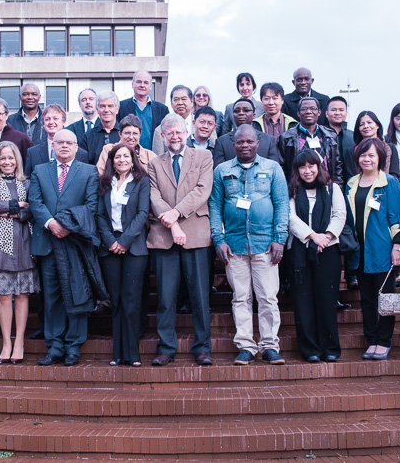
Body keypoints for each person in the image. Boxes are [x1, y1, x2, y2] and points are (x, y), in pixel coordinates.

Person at [210, 124, 288, 366]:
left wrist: (280, 238)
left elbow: (282, 204)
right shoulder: (222, 170)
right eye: (240, 142)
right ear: (234, 144)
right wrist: (218, 240)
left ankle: (269, 346)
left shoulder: (272, 168)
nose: (245, 145)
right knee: (241, 297)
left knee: (267, 297)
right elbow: (214, 206)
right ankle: (245, 346)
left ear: (258, 143)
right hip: (234, 245)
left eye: (249, 141)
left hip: (265, 244)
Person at [29, 129, 103, 367]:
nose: (63, 146)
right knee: (52, 297)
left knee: (77, 293)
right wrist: (51, 223)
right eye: (59, 142)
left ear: (75, 147)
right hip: (48, 243)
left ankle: (73, 346)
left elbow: (91, 205)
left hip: (75, 243)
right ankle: (55, 345)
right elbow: (35, 202)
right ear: (52, 145)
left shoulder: (90, 171)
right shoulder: (40, 171)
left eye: (69, 143)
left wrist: (67, 226)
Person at [147, 114, 214, 366]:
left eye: (179, 132)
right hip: (164, 235)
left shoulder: (204, 157)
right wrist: (173, 223)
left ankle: (202, 347)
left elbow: (202, 189)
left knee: (199, 295)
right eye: (169, 133)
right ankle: (166, 348)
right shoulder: (154, 164)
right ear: (162, 136)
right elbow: (154, 196)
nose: (174, 137)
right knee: (165, 297)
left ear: (187, 132)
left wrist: (176, 213)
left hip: (196, 233)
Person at [345, 138, 400, 361]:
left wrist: (397, 246)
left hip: (383, 249)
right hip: (359, 251)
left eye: (371, 155)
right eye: (362, 155)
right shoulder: (351, 183)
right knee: (367, 298)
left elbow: (396, 216)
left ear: (380, 158)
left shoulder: (389, 182)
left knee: (386, 298)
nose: (366, 159)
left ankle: (384, 340)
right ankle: (371, 339)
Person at [287, 150, 346, 362]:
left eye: (311, 166)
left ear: (319, 167)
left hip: (328, 250)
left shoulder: (332, 188)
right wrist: (312, 236)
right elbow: (290, 217)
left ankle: (330, 348)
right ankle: (310, 349)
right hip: (300, 250)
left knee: (326, 300)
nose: (307, 171)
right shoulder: (293, 189)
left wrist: (326, 237)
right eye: (302, 167)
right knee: (303, 302)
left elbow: (340, 214)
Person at [0, 142, 40, 364]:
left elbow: (33, 207)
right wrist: (18, 206)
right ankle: (6, 342)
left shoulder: (27, 182)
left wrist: (10, 210)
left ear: (17, 160)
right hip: (0, 246)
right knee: (4, 296)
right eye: (3, 158)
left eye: (11, 158)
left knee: (23, 295)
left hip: (25, 243)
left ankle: (19, 342)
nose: (7, 162)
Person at [95, 143, 150, 367]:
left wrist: (124, 241)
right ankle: (117, 354)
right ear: (112, 160)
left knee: (131, 300)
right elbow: (98, 215)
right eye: (118, 157)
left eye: (126, 156)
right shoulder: (104, 183)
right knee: (115, 300)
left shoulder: (141, 181)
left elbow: (143, 213)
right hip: (110, 247)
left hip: (134, 247)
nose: (122, 160)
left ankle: (132, 354)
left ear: (133, 158)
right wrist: (111, 242)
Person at [324, 95, 359, 298]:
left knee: (352, 230)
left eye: (341, 109)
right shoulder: (321, 134)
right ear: (326, 113)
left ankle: (352, 273)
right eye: (334, 109)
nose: (338, 112)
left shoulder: (352, 136)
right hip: (329, 189)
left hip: (351, 189)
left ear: (346, 112)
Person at [278, 97, 343, 187]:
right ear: (298, 113)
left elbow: (337, 167)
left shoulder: (330, 137)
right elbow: (282, 168)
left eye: (313, 108)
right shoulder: (286, 138)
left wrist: (337, 189)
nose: (308, 112)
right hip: (298, 190)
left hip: (326, 189)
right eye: (304, 109)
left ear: (319, 112)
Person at [25, 103, 88, 177]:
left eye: (55, 118)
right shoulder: (33, 153)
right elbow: (28, 181)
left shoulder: (81, 153)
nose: (51, 122)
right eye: (47, 119)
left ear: (63, 121)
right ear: (43, 124)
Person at [213, 98, 280, 168]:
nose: (241, 113)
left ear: (254, 115)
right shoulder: (222, 142)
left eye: (246, 110)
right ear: (233, 115)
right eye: (237, 111)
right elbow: (218, 172)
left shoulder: (268, 140)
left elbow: (274, 169)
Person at [116, 71, 170, 150]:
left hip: (153, 157)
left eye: (146, 82)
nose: (142, 85)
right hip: (128, 156)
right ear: (132, 84)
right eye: (139, 82)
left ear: (150, 86)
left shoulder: (162, 109)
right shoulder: (121, 107)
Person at [353, 111, 399, 178]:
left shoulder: (390, 148)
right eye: (361, 124)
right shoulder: (352, 151)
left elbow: (394, 174)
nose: (366, 126)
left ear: (377, 125)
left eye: (369, 122)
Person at [83, 91, 122, 165]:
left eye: (110, 106)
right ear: (97, 110)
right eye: (102, 106)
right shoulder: (88, 137)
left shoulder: (125, 134)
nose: (106, 110)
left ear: (117, 109)